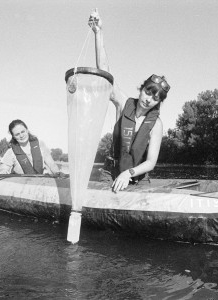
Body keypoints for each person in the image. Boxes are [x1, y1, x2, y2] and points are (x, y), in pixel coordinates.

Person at [88, 9, 170, 193]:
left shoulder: (156, 124)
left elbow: (150, 162)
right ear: (141, 89)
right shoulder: (123, 102)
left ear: (158, 103)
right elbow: (105, 72)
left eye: (156, 98)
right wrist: (98, 33)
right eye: (148, 92)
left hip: (138, 176)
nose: (149, 100)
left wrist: (128, 174)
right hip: (111, 172)